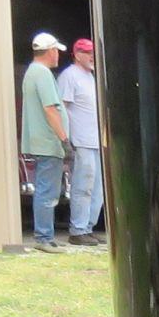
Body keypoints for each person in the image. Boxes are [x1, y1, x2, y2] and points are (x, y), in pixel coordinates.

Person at [19, 32, 70, 251]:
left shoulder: (32, 72)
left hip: (42, 142)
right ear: (50, 51)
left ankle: (45, 235)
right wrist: (64, 139)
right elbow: (50, 109)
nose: (58, 55)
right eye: (56, 50)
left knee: (46, 188)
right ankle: (43, 237)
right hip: (49, 143)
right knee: (47, 190)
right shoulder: (42, 74)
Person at [56, 36, 103, 245]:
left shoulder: (93, 77)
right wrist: (66, 139)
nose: (92, 56)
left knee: (98, 188)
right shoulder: (69, 76)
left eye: (93, 52)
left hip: (97, 140)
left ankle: (88, 227)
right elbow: (62, 108)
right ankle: (77, 230)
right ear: (76, 55)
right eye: (87, 52)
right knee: (83, 185)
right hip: (81, 140)